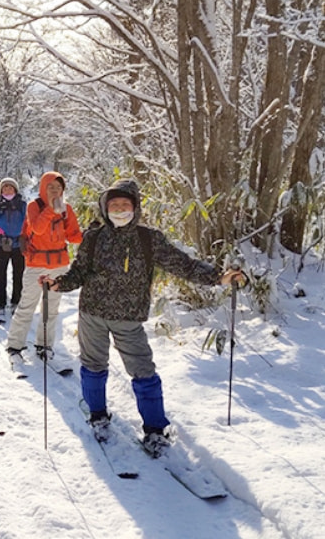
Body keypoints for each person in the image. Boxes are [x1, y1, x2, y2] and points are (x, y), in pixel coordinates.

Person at [41, 178, 247, 457]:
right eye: (114, 205)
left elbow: (183, 265)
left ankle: (154, 429)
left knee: (143, 372)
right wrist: (58, 283)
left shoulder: (149, 239)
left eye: (125, 204)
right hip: (92, 313)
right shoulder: (94, 237)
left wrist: (218, 278)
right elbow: (79, 273)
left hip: (129, 318)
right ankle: (98, 415)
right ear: (105, 208)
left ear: (135, 207)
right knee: (93, 366)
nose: (119, 209)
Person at [6, 171, 83, 360]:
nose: (55, 191)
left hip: (59, 265)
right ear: (43, 187)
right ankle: (15, 347)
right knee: (27, 306)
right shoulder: (34, 206)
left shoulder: (67, 209)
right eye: (51, 187)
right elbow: (38, 230)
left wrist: (91, 234)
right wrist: (51, 209)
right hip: (36, 264)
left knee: (51, 308)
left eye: (58, 187)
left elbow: (73, 236)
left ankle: (45, 346)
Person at [0, 178, 26, 321]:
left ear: (15, 189)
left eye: (10, 188)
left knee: (18, 274)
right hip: (2, 243)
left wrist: (24, 233)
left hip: (18, 244)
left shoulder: (22, 204)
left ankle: (16, 301)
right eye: (4, 188)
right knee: (0, 275)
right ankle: (0, 305)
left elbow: (27, 220)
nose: (7, 190)